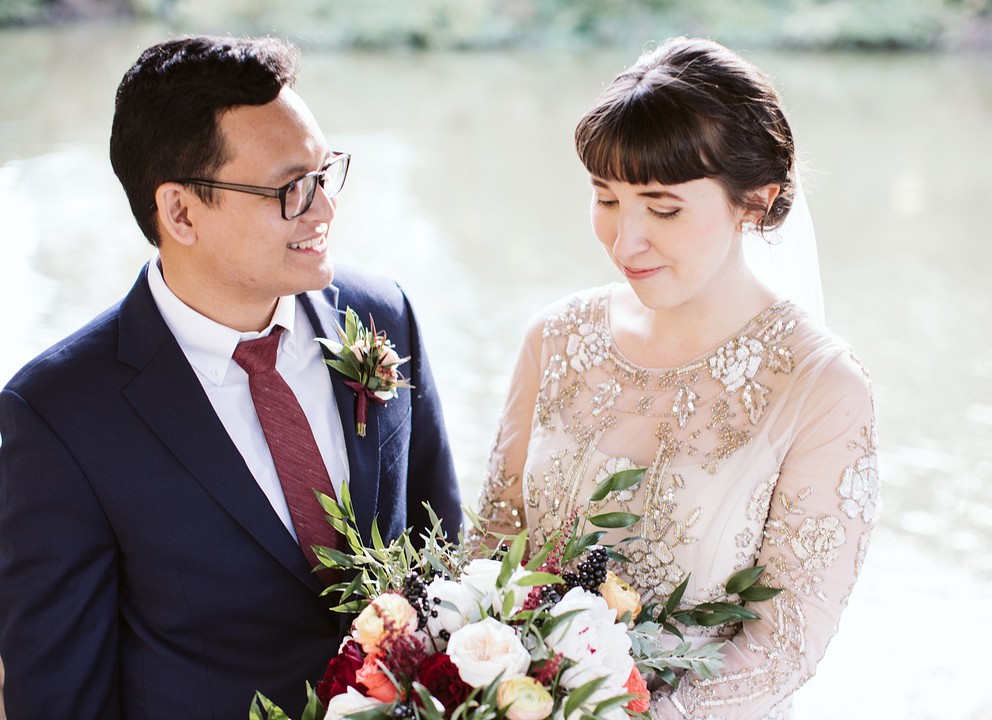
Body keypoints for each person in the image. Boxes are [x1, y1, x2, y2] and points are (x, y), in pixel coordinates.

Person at [0, 35, 461, 719]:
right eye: (291, 190)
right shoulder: (60, 414)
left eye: (325, 172)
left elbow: (443, 551)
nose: (325, 210)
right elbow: (62, 697)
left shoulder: (382, 313)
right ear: (180, 212)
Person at [476, 37, 878, 718]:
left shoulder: (822, 389)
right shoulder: (554, 338)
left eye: (662, 208)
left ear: (755, 200)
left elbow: (782, 646)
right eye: (606, 198)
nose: (625, 241)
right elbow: (492, 546)